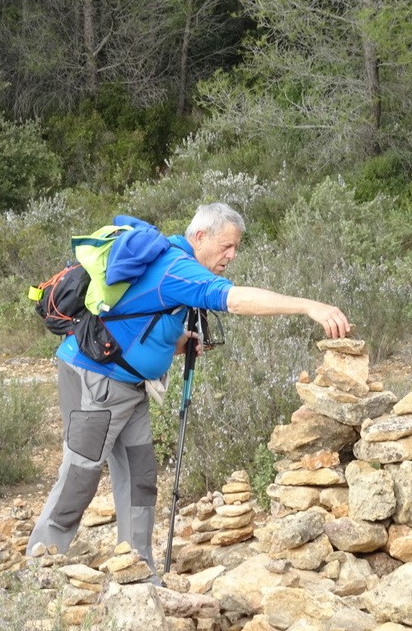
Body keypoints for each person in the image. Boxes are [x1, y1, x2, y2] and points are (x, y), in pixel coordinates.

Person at [26, 203, 351, 573]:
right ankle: (40, 568)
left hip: (129, 387)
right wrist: (309, 306)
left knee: (140, 479)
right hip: (95, 380)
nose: (232, 255)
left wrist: (174, 342)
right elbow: (234, 300)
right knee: (80, 477)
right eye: (226, 246)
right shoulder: (176, 267)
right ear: (200, 236)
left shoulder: (172, 262)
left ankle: (137, 572)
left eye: (236, 247)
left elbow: (141, 314)